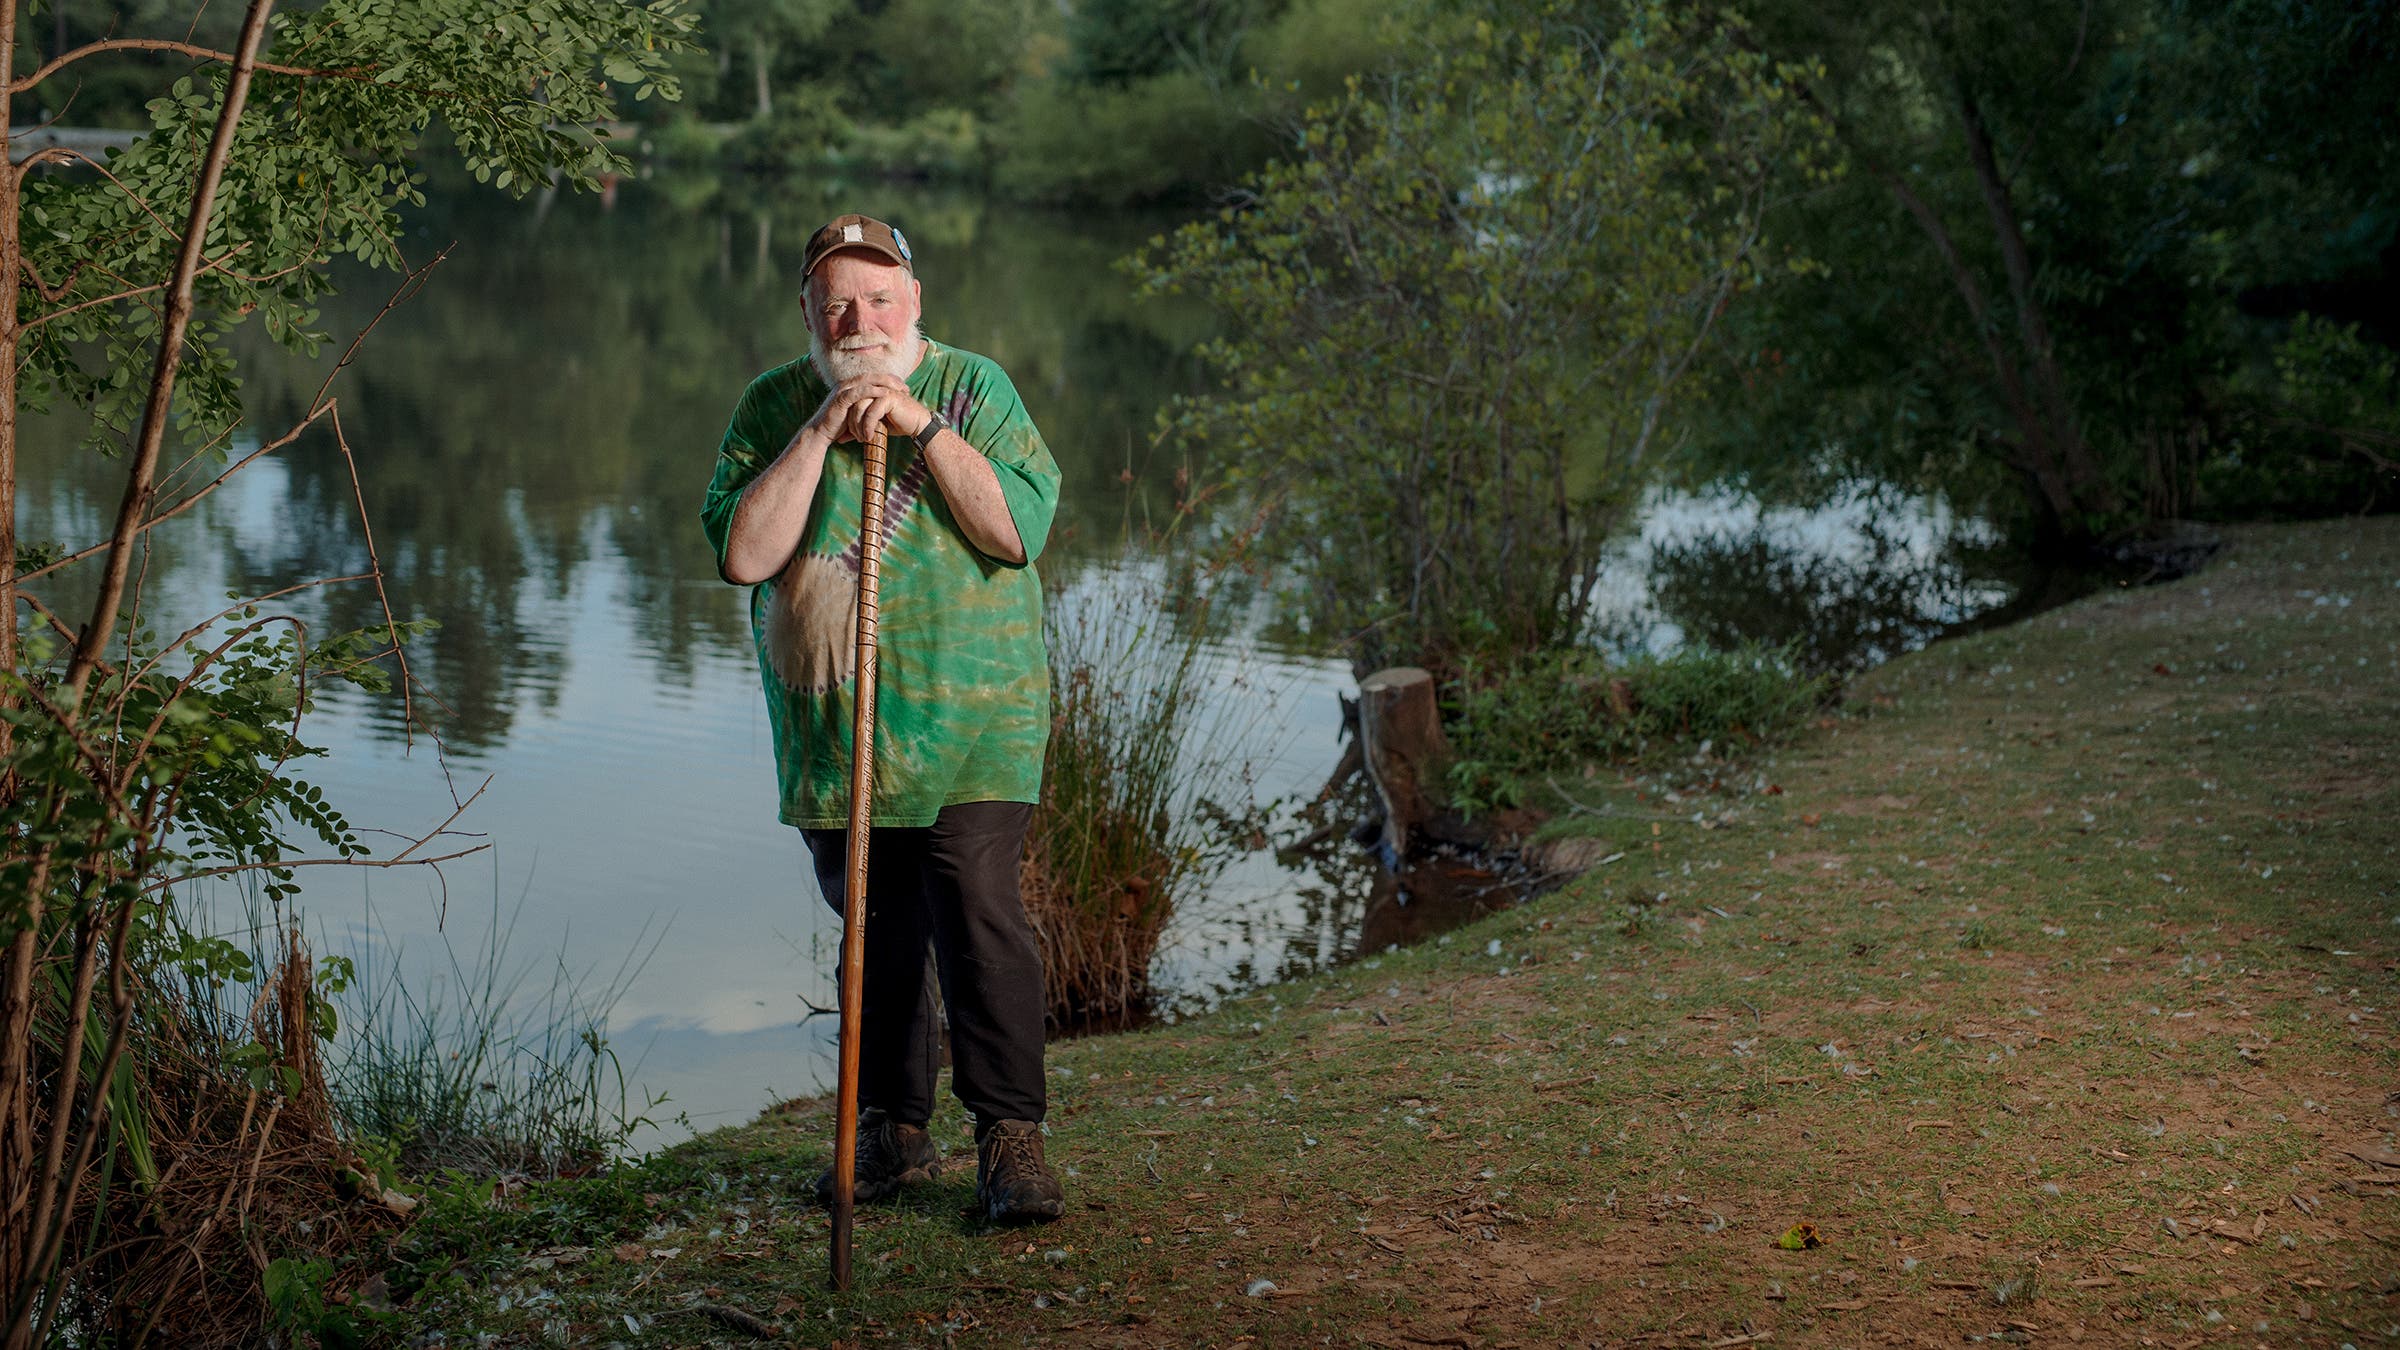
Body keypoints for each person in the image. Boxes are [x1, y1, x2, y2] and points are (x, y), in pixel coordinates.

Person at [699, 213, 1065, 1224]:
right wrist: (821, 431)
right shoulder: (771, 404)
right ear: (809, 311)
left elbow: (1015, 530)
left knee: (976, 912)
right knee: (877, 924)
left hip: (976, 719)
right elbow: (743, 554)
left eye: (881, 297)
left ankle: (1011, 1142)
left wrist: (920, 428)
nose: (860, 319)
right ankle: (894, 1133)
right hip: (835, 728)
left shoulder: (975, 390)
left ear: (916, 302)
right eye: (838, 301)